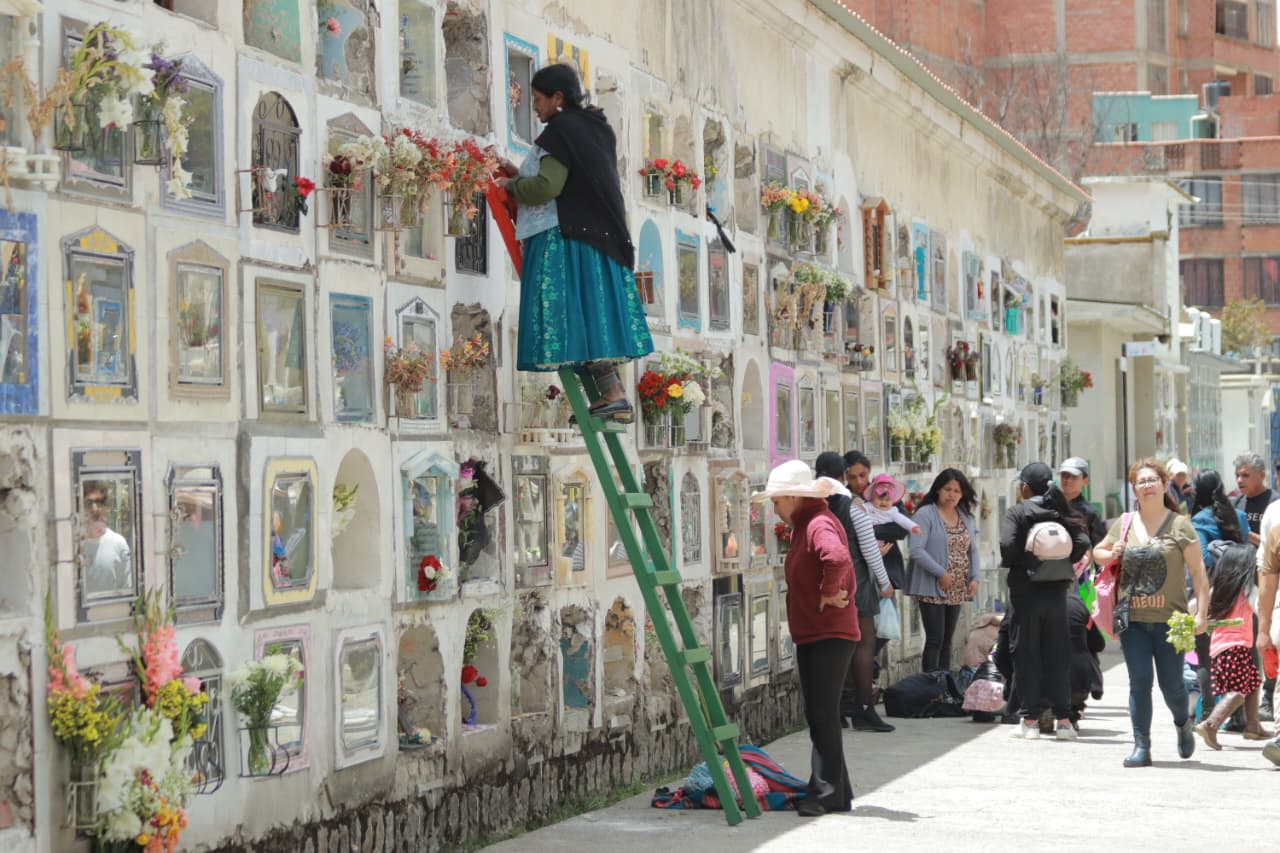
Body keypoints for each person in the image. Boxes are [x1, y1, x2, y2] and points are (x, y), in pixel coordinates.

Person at [497, 63, 653, 421]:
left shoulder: (562, 129)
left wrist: (513, 186)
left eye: (538, 99)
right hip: (599, 239)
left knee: (573, 319)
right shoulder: (595, 129)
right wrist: (520, 175)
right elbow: (574, 183)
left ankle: (612, 393)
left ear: (558, 97)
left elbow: (549, 187)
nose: (534, 107)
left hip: (566, 240)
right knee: (592, 318)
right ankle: (612, 393)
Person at [753, 460, 857, 816]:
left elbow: (838, 558)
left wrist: (828, 591)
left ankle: (828, 793)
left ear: (794, 496)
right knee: (819, 713)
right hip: (816, 632)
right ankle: (835, 790)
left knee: (823, 713)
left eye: (777, 500)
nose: (774, 507)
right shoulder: (806, 523)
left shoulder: (818, 522)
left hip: (829, 632)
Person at [1093, 458, 1209, 768]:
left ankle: (1182, 723)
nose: (1146, 486)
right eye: (1140, 482)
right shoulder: (1125, 523)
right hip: (1133, 619)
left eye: (1151, 480)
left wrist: (1201, 615)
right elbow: (1097, 552)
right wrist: (1111, 552)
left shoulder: (1180, 524)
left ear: (1164, 484)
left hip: (1171, 622)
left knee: (1172, 685)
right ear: (1134, 488)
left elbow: (1199, 573)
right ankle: (1141, 745)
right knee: (1139, 682)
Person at [999, 462, 1092, 741]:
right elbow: (1083, 540)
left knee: (1026, 654)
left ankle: (1029, 721)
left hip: (1025, 594)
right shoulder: (1060, 511)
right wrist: (1062, 562)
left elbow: (1006, 545)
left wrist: (1026, 562)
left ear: (1025, 487)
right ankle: (1064, 721)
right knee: (1057, 654)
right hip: (1056, 593)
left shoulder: (1018, 512)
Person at [814, 452, 894, 733]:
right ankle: (864, 709)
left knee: (833, 648)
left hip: (825, 588)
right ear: (841, 477)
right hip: (856, 585)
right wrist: (884, 584)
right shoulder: (852, 509)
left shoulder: (813, 506)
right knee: (864, 645)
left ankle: (836, 711)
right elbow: (871, 551)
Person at [1194, 543, 1269, 748]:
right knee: (1238, 691)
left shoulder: (1218, 587)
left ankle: (1253, 726)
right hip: (1237, 646)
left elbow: (1195, 606)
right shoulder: (1248, 589)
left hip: (1220, 646)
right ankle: (1211, 724)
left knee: (1253, 681)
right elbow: (1261, 607)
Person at [1188, 470, 1249, 722]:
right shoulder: (1240, 516)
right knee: (1240, 653)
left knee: (1206, 654)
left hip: (1210, 592)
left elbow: (1201, 560)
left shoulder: (1199, 520)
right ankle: (1239, 717)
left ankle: (1209, 716)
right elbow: (1245, 553)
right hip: (1239, 592)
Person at [907, 469, 980, 673]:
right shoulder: (925, 514)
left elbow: (973, 550)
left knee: (948, 640)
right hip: (932, 585)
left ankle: (945, 687)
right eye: (948, 489)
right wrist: (941, 573)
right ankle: (929, 688)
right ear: (938, 489)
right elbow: (916, 550)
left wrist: (975, 577)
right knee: (934, 639)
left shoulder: (964, 516)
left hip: (956, 587)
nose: (952, 494)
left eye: (957, 491)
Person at [82, 504, 132, 597]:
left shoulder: (118, 543)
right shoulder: (73, 545)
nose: (101, 523)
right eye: (95, 517)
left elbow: (128, 586)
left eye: (104, 516)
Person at [1057, 457, 1106, 546]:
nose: (1068, 480)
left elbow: (1099, 546)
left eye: (1074, 477)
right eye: (1065, 475)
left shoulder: (1090, 512)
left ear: (1085, 480)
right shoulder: (1050, 504)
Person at [1232, 452, 1278, 545]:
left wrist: (1248, 535)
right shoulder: (1238, 501)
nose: (1239, 480)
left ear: (1262, 476)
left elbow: (1276, 544)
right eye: (1237, 475)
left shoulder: (1275, 503)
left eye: (1245, 475)